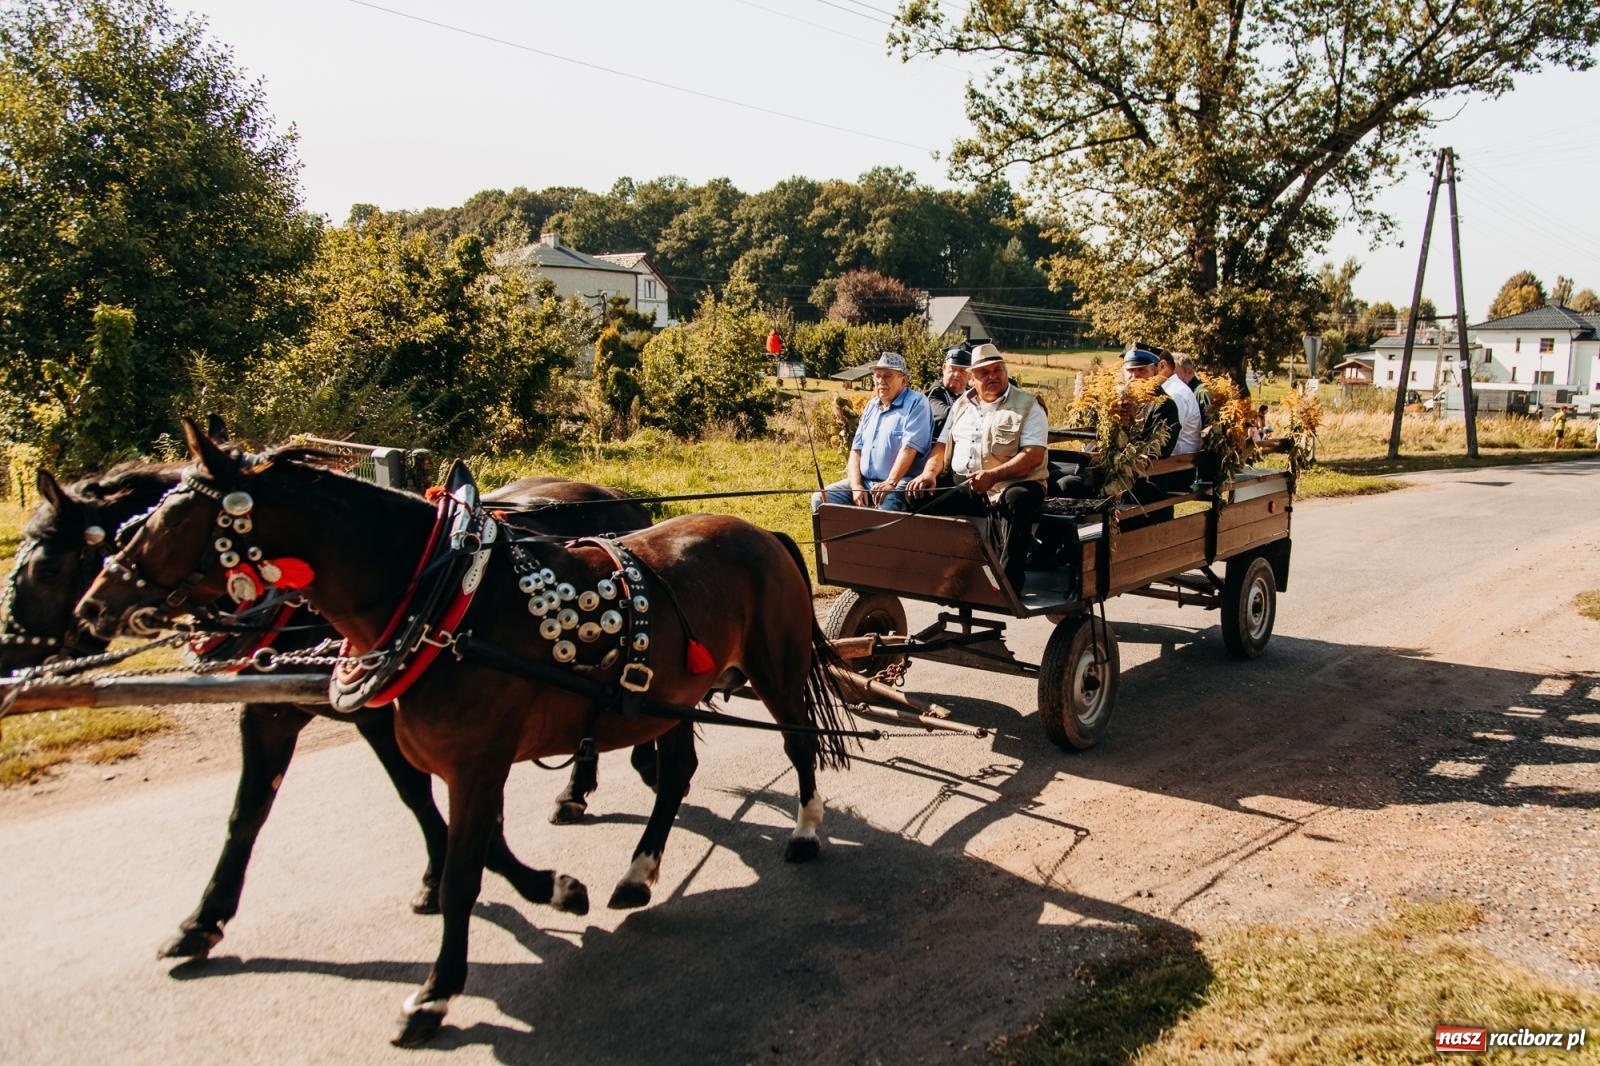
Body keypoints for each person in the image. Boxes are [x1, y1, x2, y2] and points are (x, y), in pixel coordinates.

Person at [907, 342, 1047, 593]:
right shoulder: (961, 405)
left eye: (997, 370)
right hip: (969, 485)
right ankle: (942, 574)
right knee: (916, 497)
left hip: (1015, 483)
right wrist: (929, 473)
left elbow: (1033, 455)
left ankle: (1008, 584)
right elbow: (940, 448)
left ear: (1005, 372)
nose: (993, 376)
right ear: (972, 378)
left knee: (1017, 500)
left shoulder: (1028, 405)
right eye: (985, 372)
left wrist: (993, 476)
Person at [811, 351, 932, 512]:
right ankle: (832, 539)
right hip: (866, 481)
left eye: (888, 376)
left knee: (886, 505)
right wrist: (856, 486)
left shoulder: (917, 403)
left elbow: (909, 448)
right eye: (877, 376)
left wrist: (890, 482)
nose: (881, 381)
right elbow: (856, 450)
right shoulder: (872, 406)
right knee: (821, 498)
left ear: (903, 380)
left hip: (898, 482)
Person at [1154, 348, 1203, 455]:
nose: (1135, 376)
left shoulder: (1175, 394)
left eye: (1143, 370)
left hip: (1177, 465)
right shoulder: (1167, 389)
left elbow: (1164, 438)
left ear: (1162, 366)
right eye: (1131, 370)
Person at [926, 344, 971, 439]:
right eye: (953, 368)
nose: (957, 374)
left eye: (962, 371)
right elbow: (945, 416)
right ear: (944, 368)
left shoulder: (971, 393)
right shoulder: (935, 392)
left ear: (970, 375)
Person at [1173, 352, 1211, 423]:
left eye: (1174, 373)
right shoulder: (1184, 393)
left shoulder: (1202, 393)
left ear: (1189, 372)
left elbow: (1211, 425)